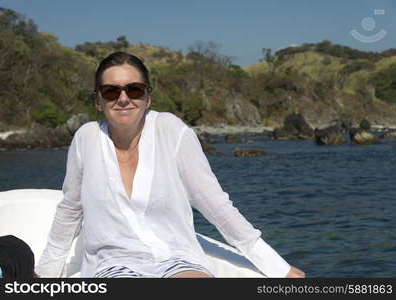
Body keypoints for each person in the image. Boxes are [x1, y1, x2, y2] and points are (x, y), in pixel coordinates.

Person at [36, 51, 305, 278]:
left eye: (134, 89)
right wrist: (45, 274)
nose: (123, 98)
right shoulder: (86, 138)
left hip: (177, 257)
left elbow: (214, 203)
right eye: (110, 91)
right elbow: (70, 209)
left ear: (147, 98)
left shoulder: (171, 130)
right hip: (112, 265)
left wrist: (277, 267)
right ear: (98, 101)